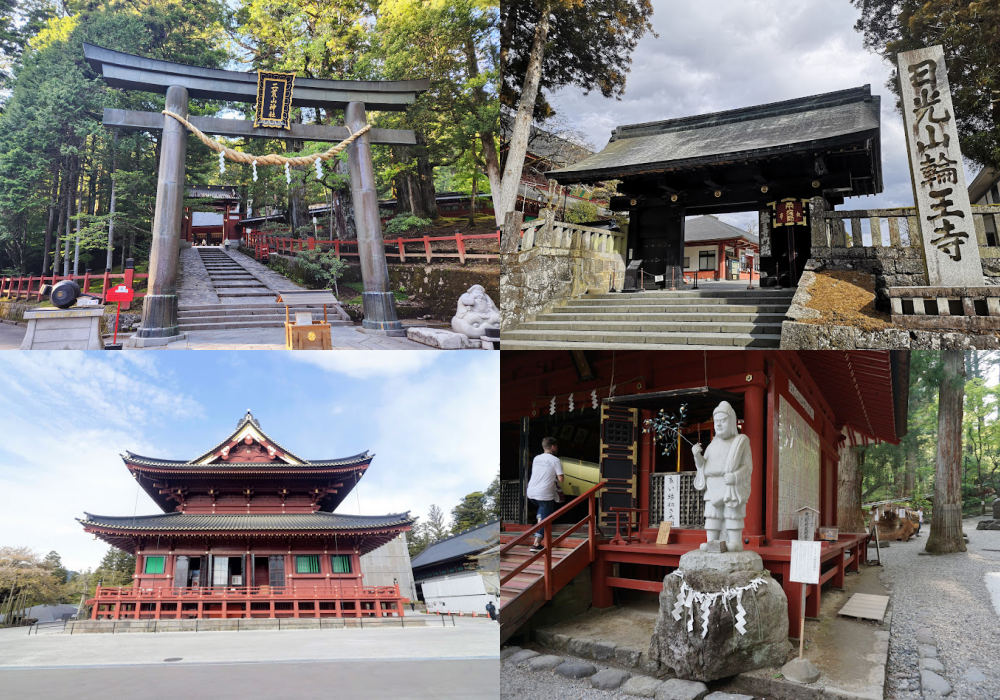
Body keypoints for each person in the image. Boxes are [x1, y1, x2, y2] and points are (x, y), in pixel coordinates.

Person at [526, 437, 563, 553]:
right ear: (553, 447)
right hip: (544, 494)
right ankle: (536, 544)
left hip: (531, 493)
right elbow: (561, 479)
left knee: (542, 510)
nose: (556, 448)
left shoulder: (536, 458)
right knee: (546, 518)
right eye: (556, 446)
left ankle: (539, 519)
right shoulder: (555, 460)